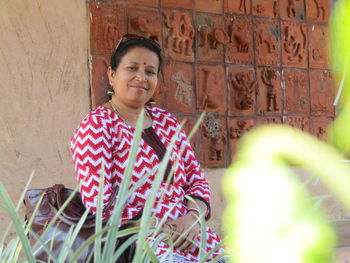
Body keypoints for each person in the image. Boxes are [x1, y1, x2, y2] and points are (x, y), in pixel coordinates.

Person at [70, 34, 226, 262]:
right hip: (136, 241)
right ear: (112, 75)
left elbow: (197, 182)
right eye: (132, 68)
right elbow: (99, 205)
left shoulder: (167, 122)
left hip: (189, 233)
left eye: (150, 72)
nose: (141, 77)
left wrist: (191, 218)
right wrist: (158, 227)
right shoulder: (97, 125)